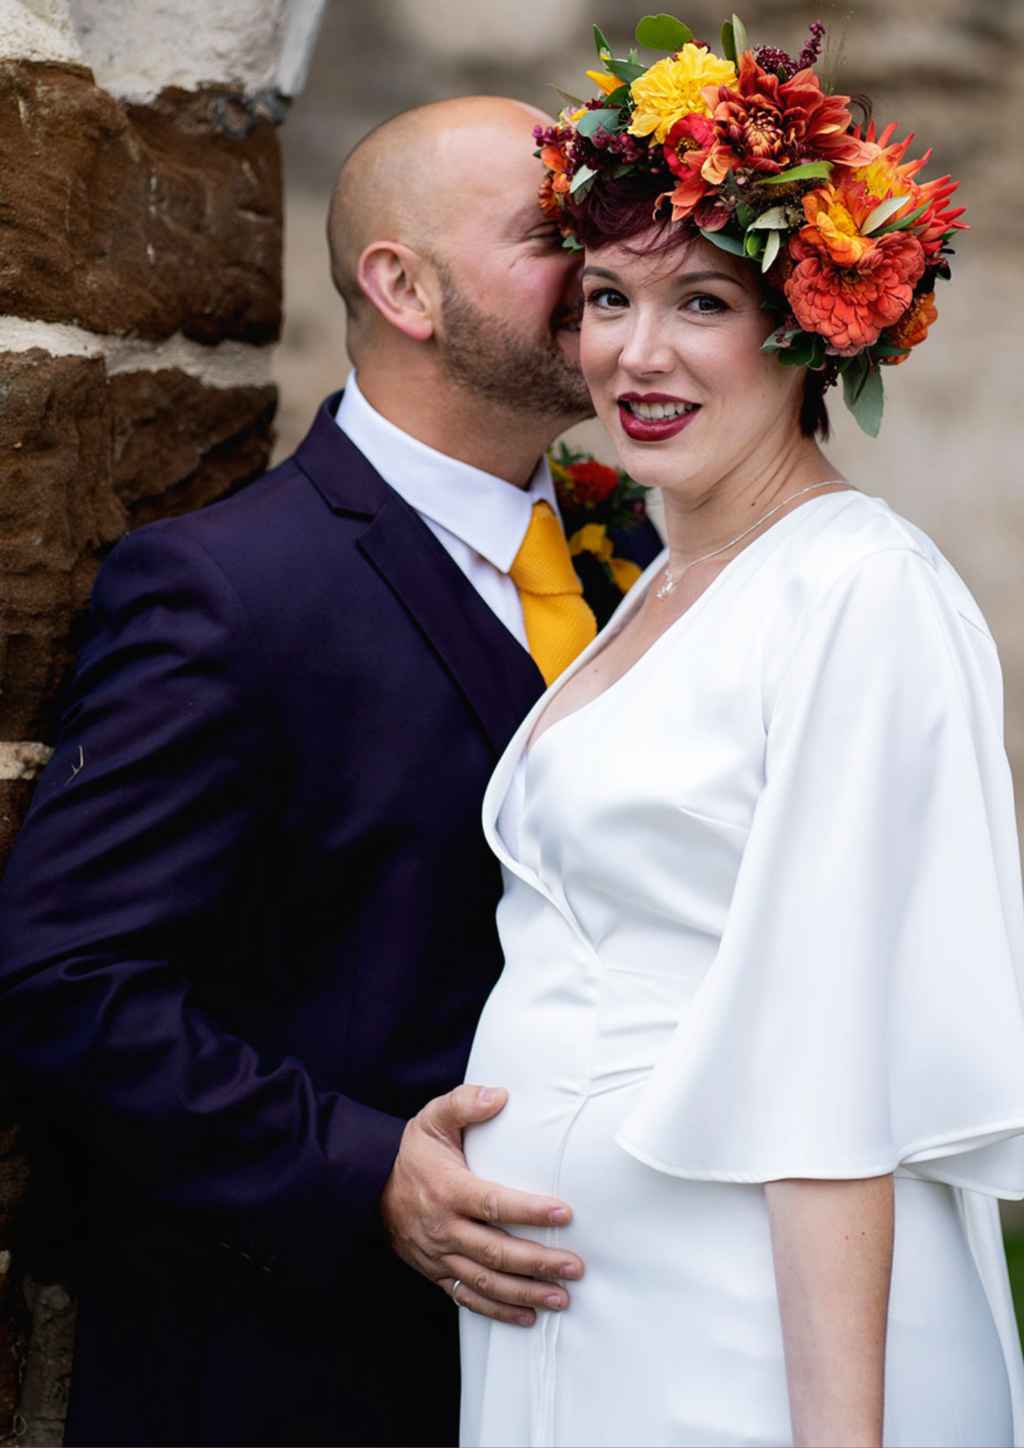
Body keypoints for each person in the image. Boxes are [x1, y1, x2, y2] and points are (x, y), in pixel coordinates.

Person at [0, 97, 660, 1447]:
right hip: (301, 1374)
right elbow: (65, 979)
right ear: (401, 286)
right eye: (554, 232)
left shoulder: (637, 558)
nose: (604, 267)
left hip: (602, 1349)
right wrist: (369, 1177)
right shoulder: (229, 589)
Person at [458, 19, 1024, 1448]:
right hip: (589, 1312)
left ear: (815, 321)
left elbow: (831, 1055)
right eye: (603, 298)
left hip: (750, 1340)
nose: (634, 354)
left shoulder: (858, 593)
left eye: (700, 301)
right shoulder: (664, 578)